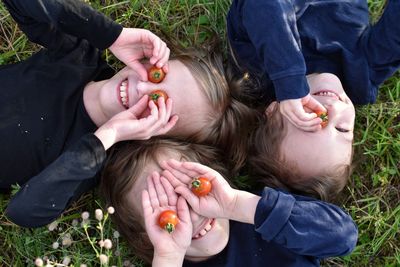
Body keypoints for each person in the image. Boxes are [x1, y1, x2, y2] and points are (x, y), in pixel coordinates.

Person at [1, 0, 255, 228]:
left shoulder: (88, 158)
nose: (142, 88)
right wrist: (112, 35)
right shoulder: (78, 54)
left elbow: (23, 211)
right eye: (159, 75)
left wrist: (107, 136)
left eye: (158, 103)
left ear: (154, 137)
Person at [227, 0, 400, 200]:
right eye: (342, 129)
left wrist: (288, 79)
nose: (333, 108)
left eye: (316, 118)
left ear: (273, 112)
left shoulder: (260, 71)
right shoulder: (361, 78)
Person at [101, 138, 358, 266]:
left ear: (215, 173)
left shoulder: (263, 213)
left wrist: (238, 205)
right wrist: (168, 256)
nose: (190, 212)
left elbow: (342, 236)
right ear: (145, 238)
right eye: (165, 211)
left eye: (192, 185)